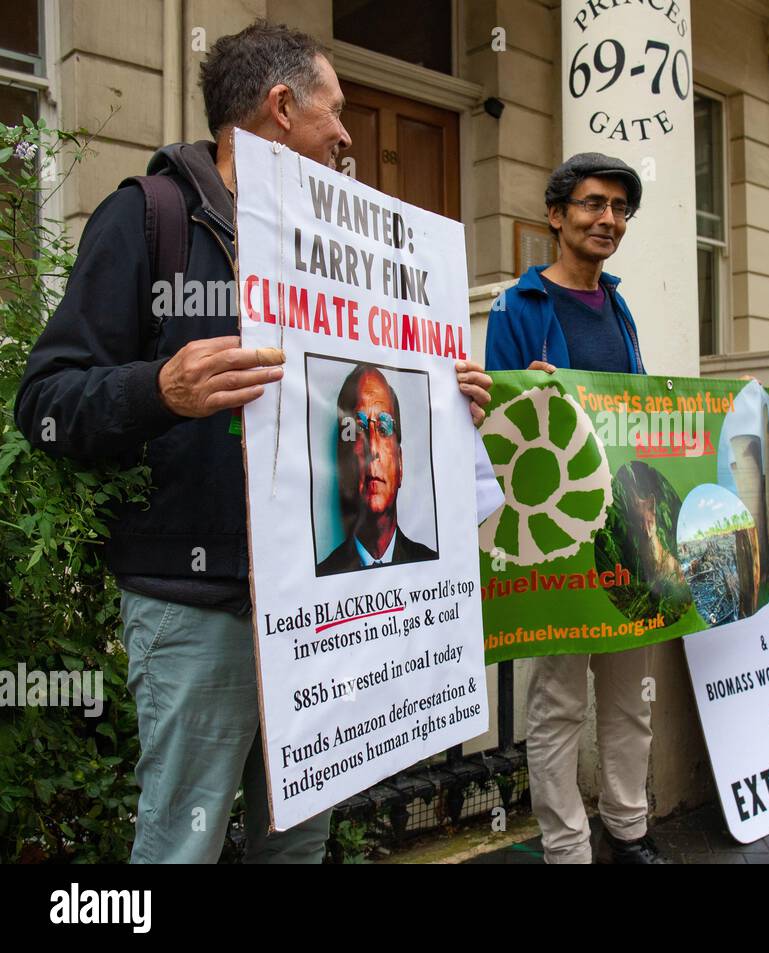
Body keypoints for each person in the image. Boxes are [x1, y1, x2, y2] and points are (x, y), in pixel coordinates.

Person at [15, 21, 493, 863]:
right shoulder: (151, 218)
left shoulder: (342, 253)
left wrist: (446, 409)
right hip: (200, 608)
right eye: (335, 112)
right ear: (281, 108)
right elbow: (44, 402)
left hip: (322, 615)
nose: (349, 135)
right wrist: (157, 389)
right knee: (181, 845)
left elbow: (359, 408)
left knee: (298, 844)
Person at [485, 153, 665, 864]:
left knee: (630, 699)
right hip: (558, 537)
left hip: (627, 529)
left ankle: (630, 830)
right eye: (594, 204)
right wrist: (522, 389)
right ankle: (567, 848)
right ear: (556, 215)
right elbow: (493, 425)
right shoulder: (518, 306)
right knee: (559, 703)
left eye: (620, 208)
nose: (608, 220)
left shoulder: (620, 306)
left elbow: (636, 417)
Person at [316, 364, 438, 575]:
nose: (372, 448)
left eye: (384, 428)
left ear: (401, 463)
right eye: (358, 428)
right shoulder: (321, 576)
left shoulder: (433, 565)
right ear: (342, 460)